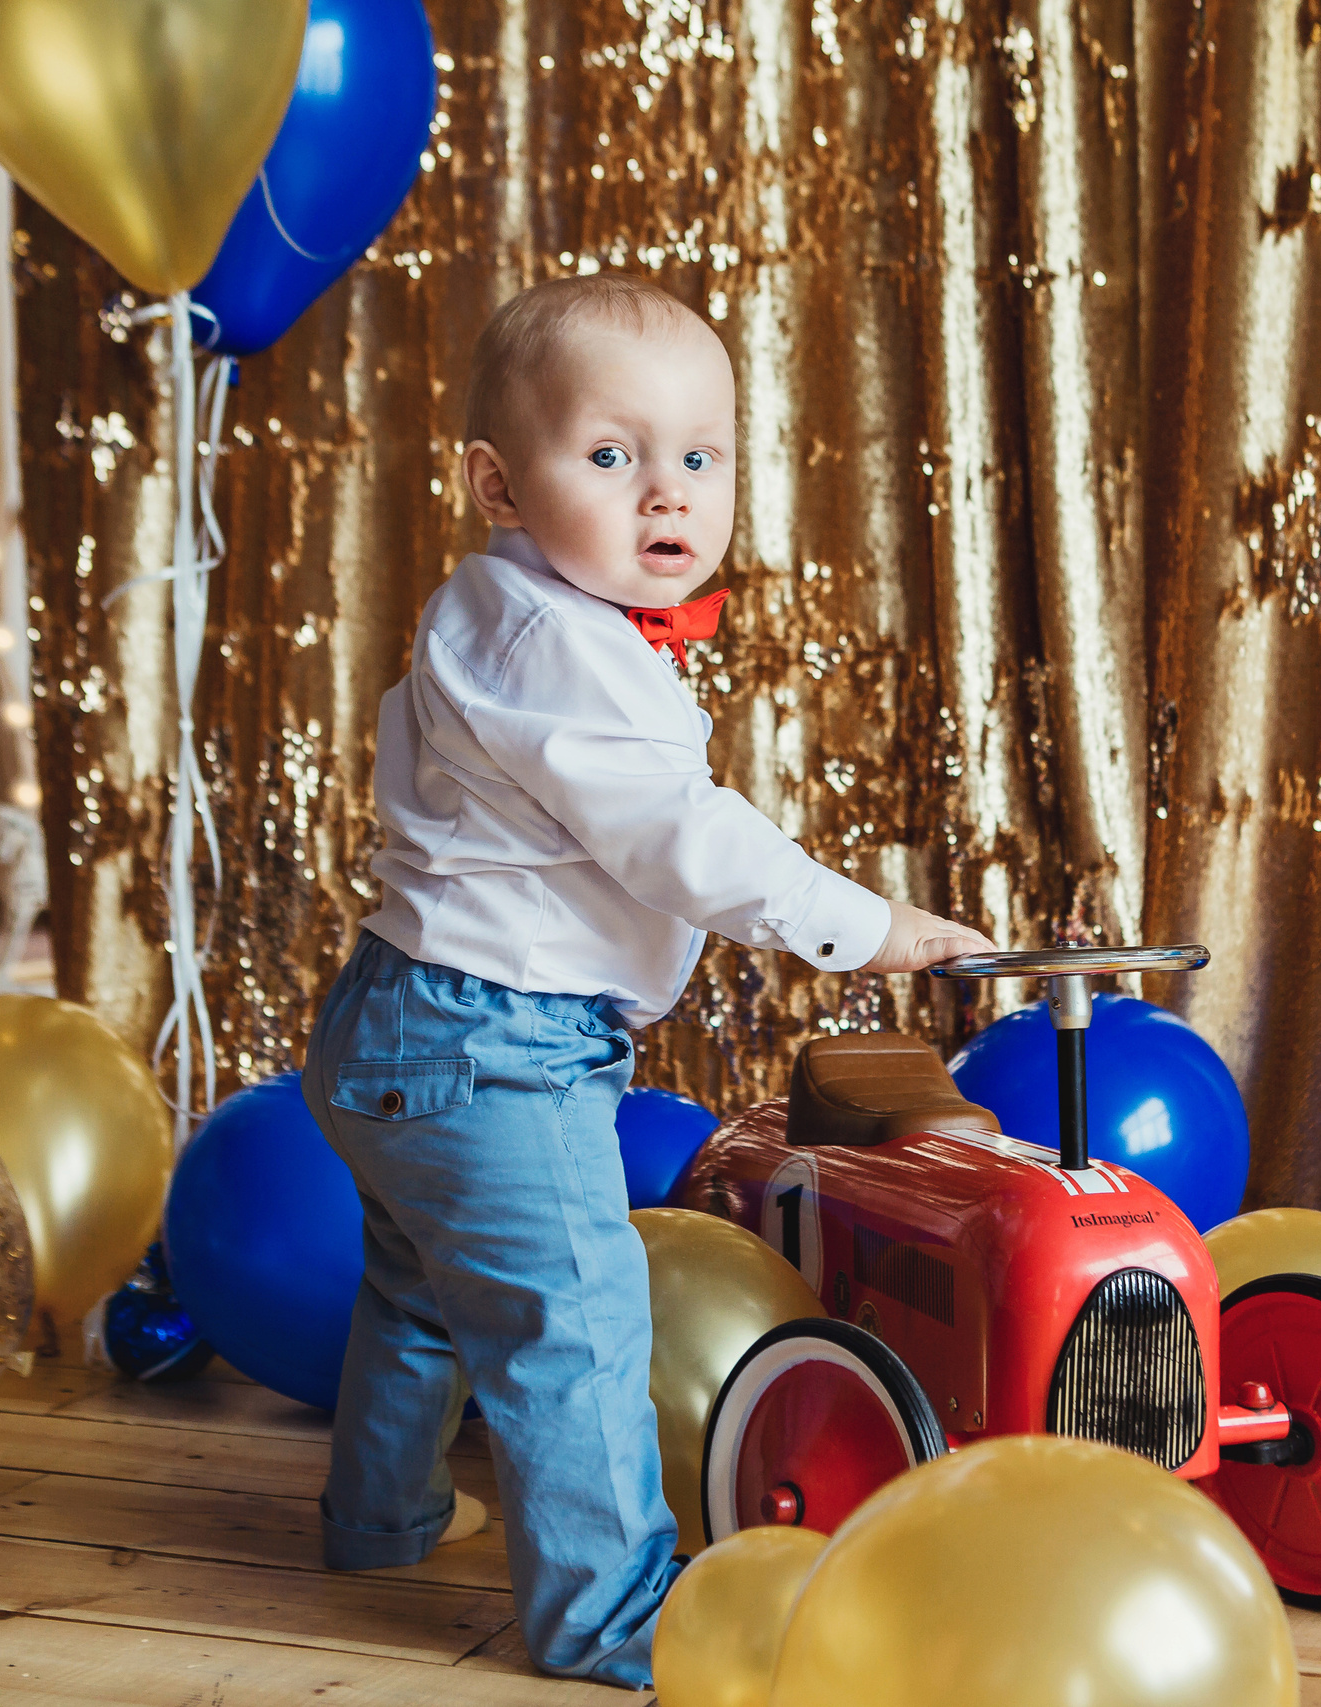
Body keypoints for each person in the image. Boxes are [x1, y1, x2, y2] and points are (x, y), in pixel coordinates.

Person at [299, 271, 991, 1687]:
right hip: (493, 1052)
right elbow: (684, 840)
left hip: (397, 1026)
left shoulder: (499, 611)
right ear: (498, 482)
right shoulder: (560, 644)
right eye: (610, 457)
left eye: (700, 457)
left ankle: (379, 1518)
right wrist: (866, 927)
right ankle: (609, 1617)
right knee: (579, 1320)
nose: (665, 494)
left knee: (419, 1292)